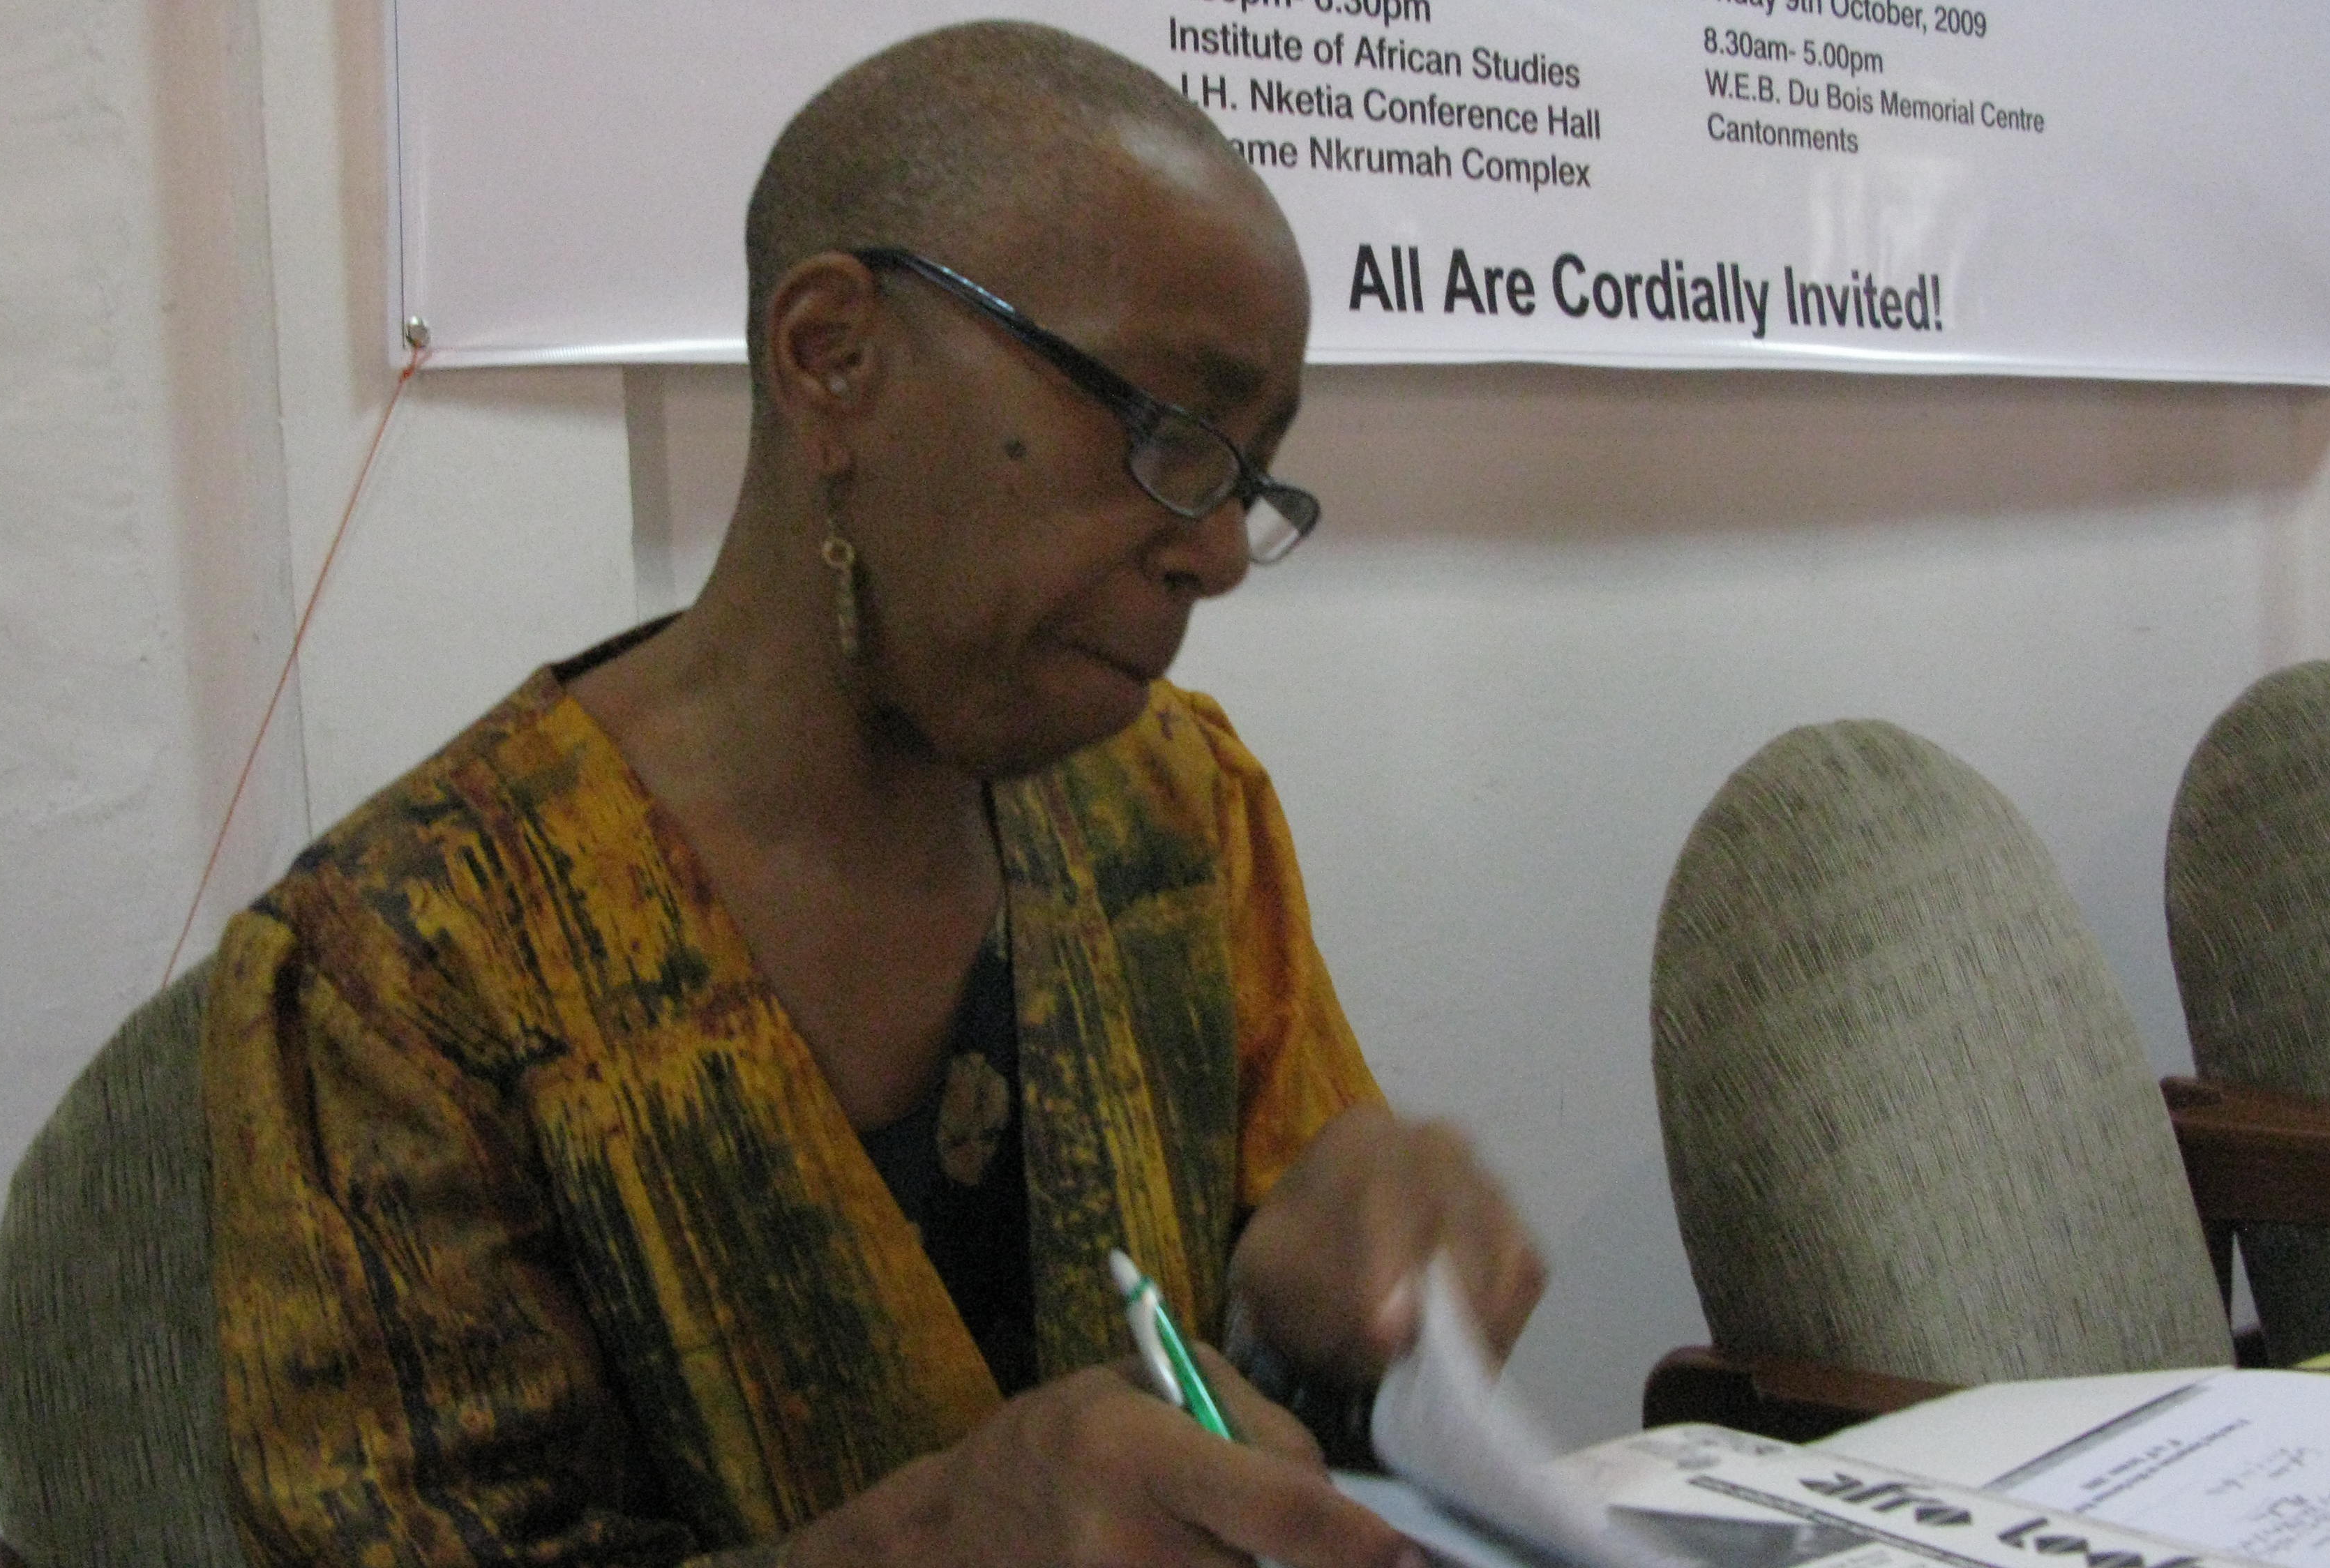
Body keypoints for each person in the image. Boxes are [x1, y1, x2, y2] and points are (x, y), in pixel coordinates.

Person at [199, 21, 1542, 1568]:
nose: (1218, 552)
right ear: (833, 357)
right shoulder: (403, 977)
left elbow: (1287, 1427)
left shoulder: (1175, 816)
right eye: (1170, 435)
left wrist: (1344, 1312)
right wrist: (929, 1541)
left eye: (1247, 474)